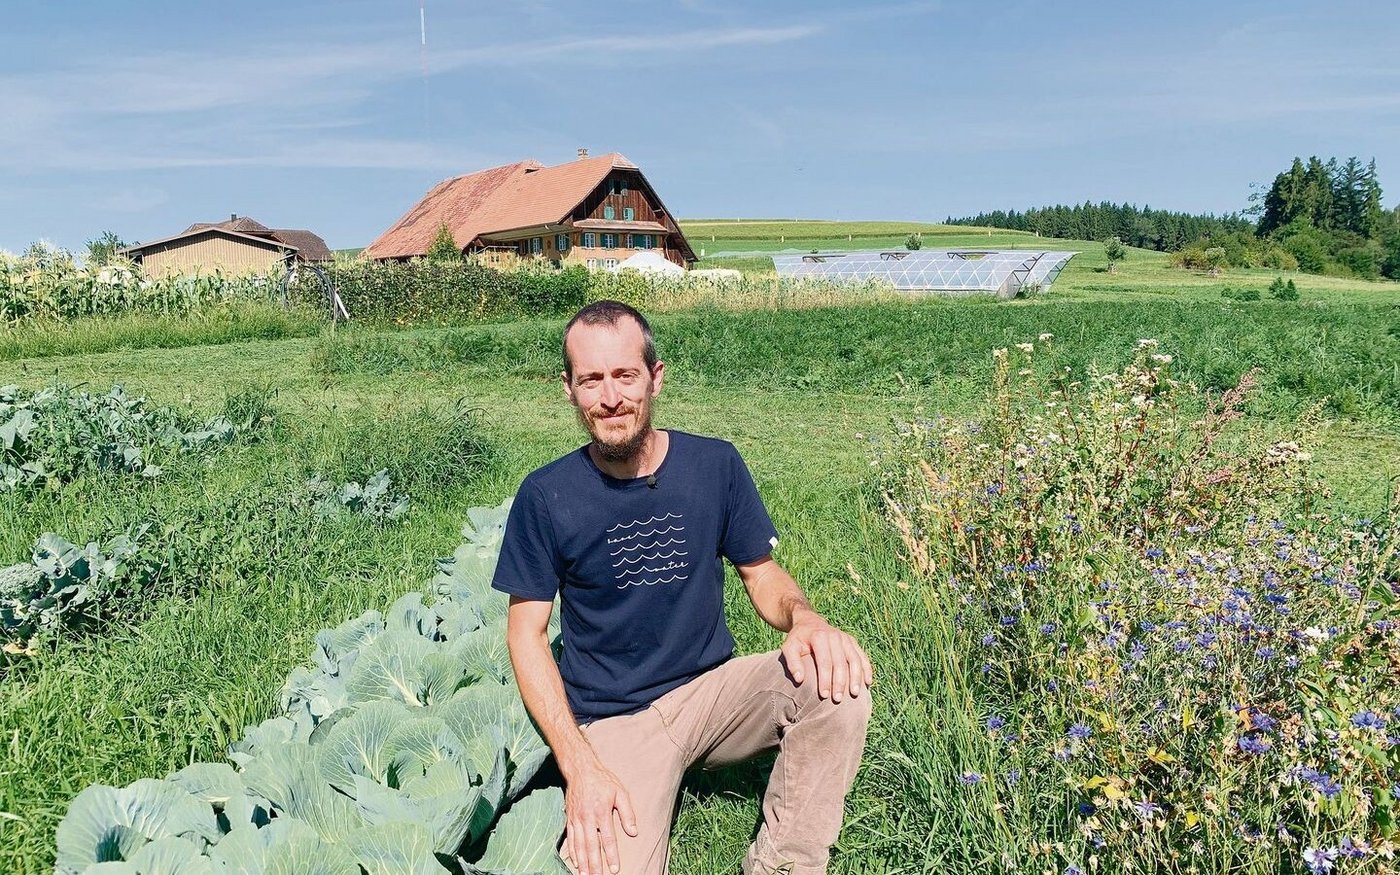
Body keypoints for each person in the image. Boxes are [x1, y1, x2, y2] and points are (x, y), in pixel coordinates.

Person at [491, 300, 873, 875]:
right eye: (591, 380)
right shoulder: (546, 495)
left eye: (625, 375)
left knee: (834, 684)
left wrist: (806, 618)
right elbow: (527, 635)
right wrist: (579, 764)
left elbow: (760, 573)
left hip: (712, 694)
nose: (611, 397)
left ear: (655, 377)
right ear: (568, 390)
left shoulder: (714, 465)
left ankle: (784, 863)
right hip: (617, 719)